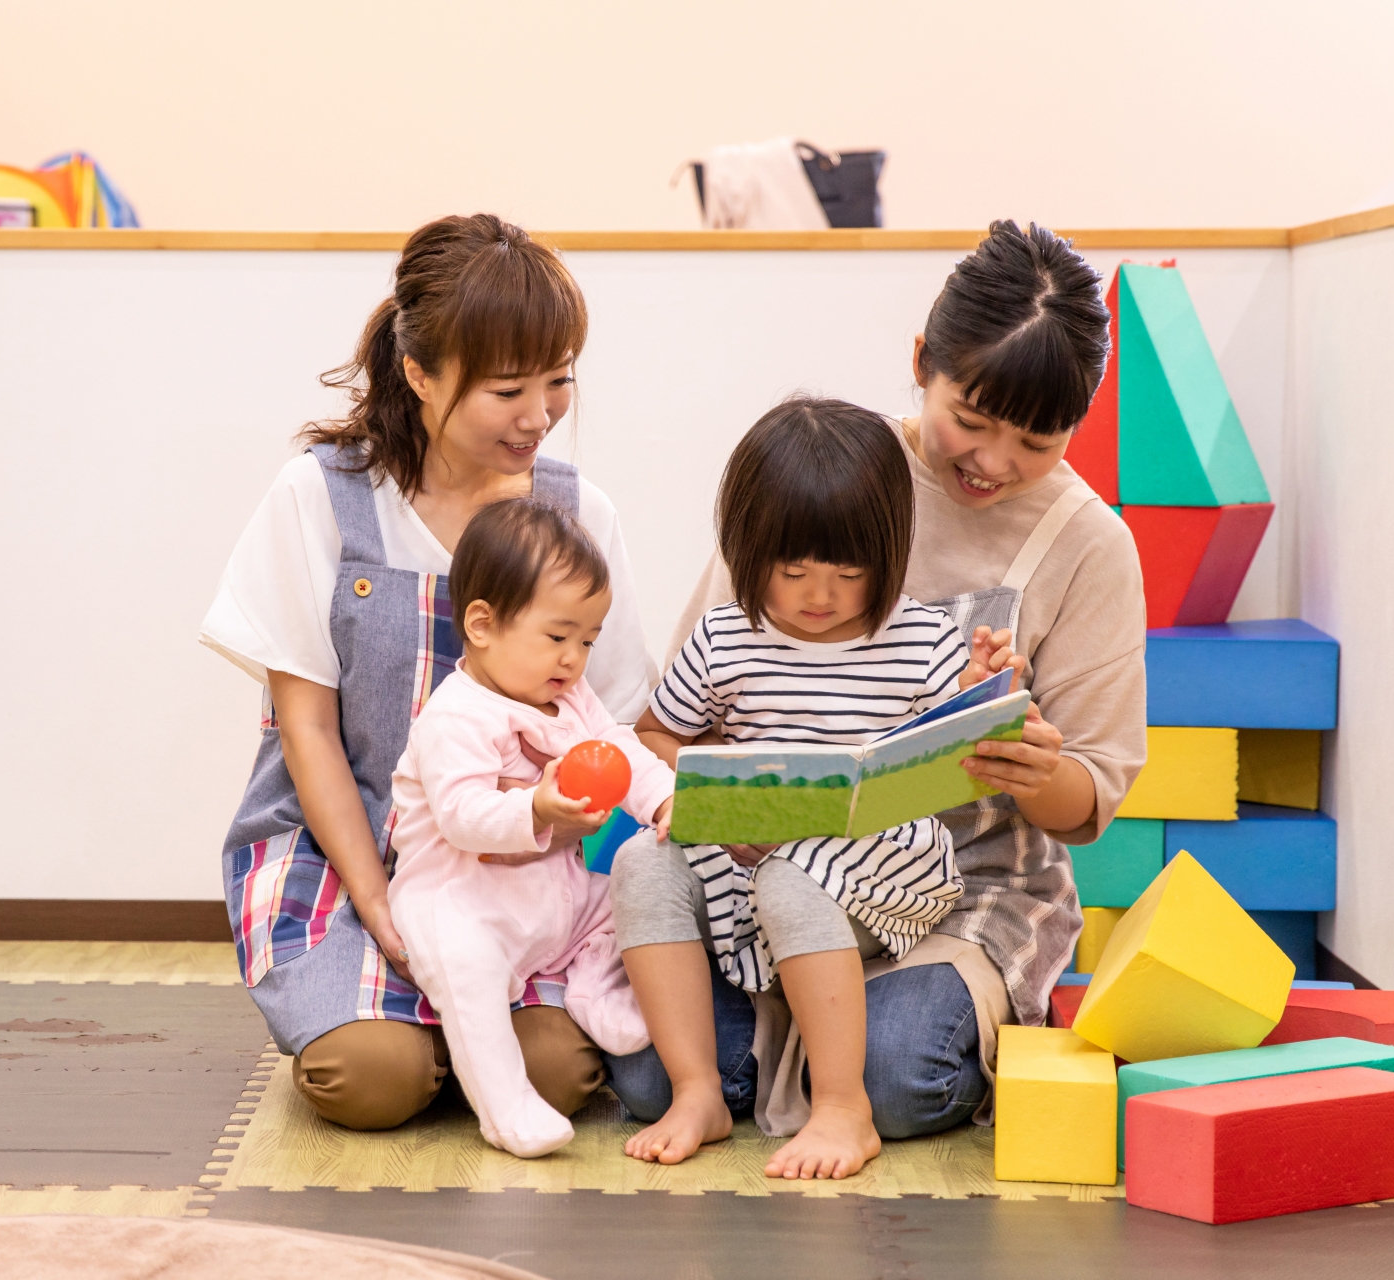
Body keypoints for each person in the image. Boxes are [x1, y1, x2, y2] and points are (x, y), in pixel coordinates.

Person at [606, 220, 1147, 1173]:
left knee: (901, 1075)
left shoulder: (1090, 545)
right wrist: (716, 802)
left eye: (1037, 438)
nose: (993, 460)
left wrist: (1032, 768)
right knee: (646, 1074)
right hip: (762, 868)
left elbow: (1089, 804)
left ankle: (851, 1073)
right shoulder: (826, 478)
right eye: (970, 419)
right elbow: (682, 711)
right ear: (920, 366)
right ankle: (754, 1072)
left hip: (955, 883)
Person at [200, 214, 658, 1131]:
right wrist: (375, 898)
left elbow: (616, 725)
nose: (540, 415)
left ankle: (469, 1034)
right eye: (507, 390)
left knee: (562, 1073)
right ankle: (411, 1027)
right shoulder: (322, 497)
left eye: (559, 379)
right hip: (350, 846)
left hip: (526, 860)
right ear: (419, 373)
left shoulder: (576, 513)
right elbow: (307, 729)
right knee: (371, 1078)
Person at [626, 397, 1017, 1179]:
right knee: (642, 863)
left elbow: (960, 749)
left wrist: (983, 686)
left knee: (795, 876)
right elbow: (654, 734)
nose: (820, 595)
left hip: (885, 861)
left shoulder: (919, 638)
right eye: (793, 570)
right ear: (749, 549)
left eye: (848, 571)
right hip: (746, 856)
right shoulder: (726, 635)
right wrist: (685, 793)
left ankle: (844, 1107)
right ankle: (697, 1087)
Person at [387, 498, 677, 1158]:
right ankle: (506, 1106)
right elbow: (462, 818)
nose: (574, 659)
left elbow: (620, 748)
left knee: (624, 889)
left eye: (587, 641)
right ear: (483, 625)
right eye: (557, 637)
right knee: (468, 972)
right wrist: (537, 811)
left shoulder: (569, 697)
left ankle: (595, 984)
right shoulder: (456, 716)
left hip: (555, 897)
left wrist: (663, 797)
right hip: (463, 899)